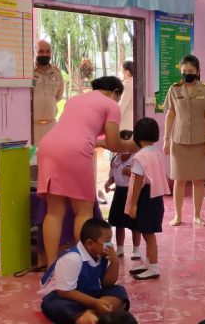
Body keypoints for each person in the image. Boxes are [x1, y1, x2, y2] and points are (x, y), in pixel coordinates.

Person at [37, 75, 135, 267]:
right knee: (83, 211)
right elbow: (114, 144)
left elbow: (76, 131)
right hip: (75, 152)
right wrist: (133, 145)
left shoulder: (75, 100)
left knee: (54, 212)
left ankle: (51, 266)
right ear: (115, 93)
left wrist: (96, 142)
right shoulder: (111, 104)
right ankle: (82, 264)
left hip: (48, 146)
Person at [40, 218, 129, 324]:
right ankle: (81, 318)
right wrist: (95, 303)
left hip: (89, 294)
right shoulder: (72, 259)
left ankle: (91, 313)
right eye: (107, 241)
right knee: (56, 307)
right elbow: (64, 292)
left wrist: (115, 262)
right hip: (65, 296)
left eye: (110, 240)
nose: (110, 245)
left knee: (119, 290)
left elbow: (106, 284)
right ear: (90, 244)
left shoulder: (100, 254)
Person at [164, 55, 205, 227]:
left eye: (191, 71)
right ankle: (178, 216)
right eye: (184, 71)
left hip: (200, 141)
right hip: (179, 141)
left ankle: (197, 216)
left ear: (198, 72)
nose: (187, 74)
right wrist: (166, 139)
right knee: (179, 180)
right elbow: (170, 114)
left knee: (198, 180)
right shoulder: (174, 89)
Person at [124, 117, 169, 281]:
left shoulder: (140, 156)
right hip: (156, 197)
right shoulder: (157, 153)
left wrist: (133, 205)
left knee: (148, 234)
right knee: (147, 232)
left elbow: (138, 182)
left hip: (145, 197)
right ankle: (149, 263)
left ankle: (154, 267)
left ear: (137, 136)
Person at [104, 130, 143, 263]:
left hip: (132, 192)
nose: (126, 146)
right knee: (118, 223)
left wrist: (131, 172)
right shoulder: (115, 159)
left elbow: (142, 176)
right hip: (119, 193)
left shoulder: (137, 159)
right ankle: (120, 248)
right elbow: (112, 176)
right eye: (123, 142)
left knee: (134, 223)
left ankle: (136, 249)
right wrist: (108, 183)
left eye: (128, 142)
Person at [32, 39, 64, 144]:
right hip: (32, 125)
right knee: (32, 154)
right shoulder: (28, 72)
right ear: (34, 52)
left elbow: (58, 96)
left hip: (51, 125)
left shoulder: (57, 74)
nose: (45, 54)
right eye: (41, 51)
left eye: (48, 51)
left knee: (51, 152)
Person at [120, 60, 135, 131]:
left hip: (125, 121)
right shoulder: (134, 83)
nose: (121, 73)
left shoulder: (128, 85)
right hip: (131, 120)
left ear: (127, 72)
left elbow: (122, 105)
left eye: (121, 71)